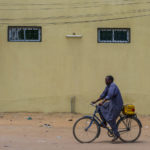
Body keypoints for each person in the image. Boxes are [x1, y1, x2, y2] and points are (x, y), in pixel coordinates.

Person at [92, 75, 123, 142]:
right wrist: (96, 101)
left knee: (111, 119)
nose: (105, 81)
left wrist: (102, 102)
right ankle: (104, 122)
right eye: (105, 80)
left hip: (117, 105)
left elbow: (109, 95)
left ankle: (117, 135)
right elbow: (103, 95)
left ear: (110, 80)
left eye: (106, 80)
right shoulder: (108, 86)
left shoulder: (113, 86)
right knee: (99, 107)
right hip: (112, 103)